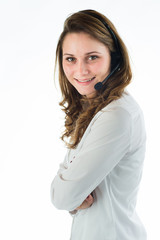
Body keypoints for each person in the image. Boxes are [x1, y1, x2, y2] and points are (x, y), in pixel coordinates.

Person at [50, 9, 147, 240]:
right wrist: (72, 192)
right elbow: (70, 194)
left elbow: (61, 196)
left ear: (114, 57)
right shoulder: (94, 108)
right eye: (70, 59)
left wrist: (70, 191)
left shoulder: (117, 115)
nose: (81, 70)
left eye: (92, 57)